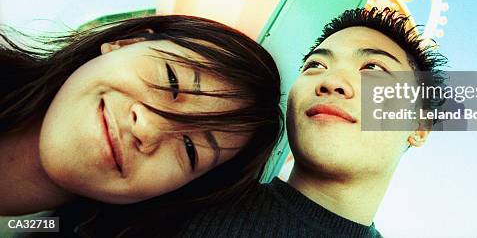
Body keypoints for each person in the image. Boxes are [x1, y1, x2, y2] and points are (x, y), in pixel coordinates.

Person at [0, 14, 283, 236]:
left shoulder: (46, 226)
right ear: (126, 43)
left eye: (190, 150)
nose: (147, 129)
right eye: (172, 81)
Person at [178, 7, 446, 237]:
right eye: (315, 65)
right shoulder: (184, 207)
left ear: (419, 128)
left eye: (374, 69)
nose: (331, 82)